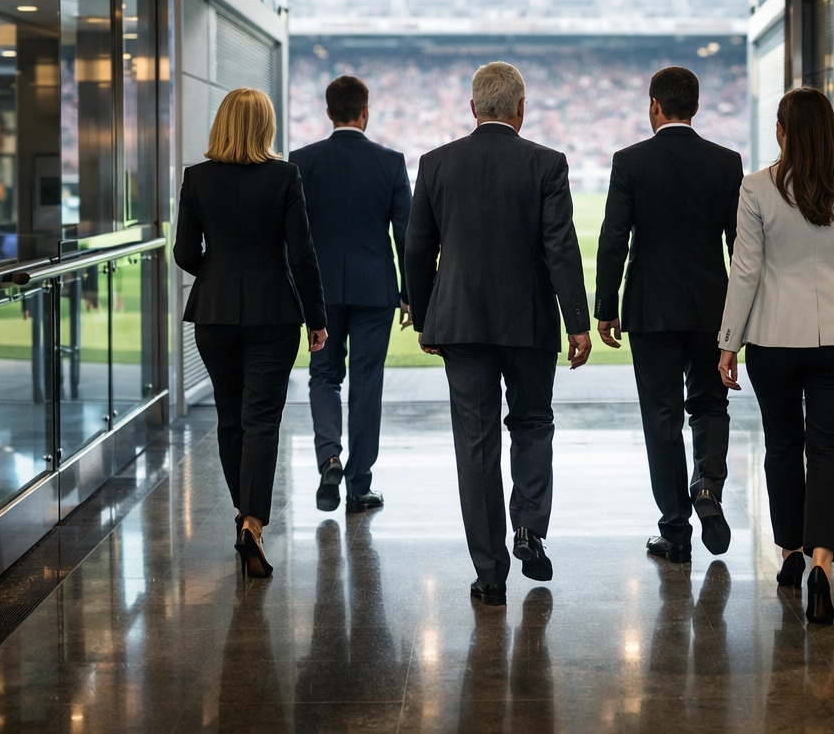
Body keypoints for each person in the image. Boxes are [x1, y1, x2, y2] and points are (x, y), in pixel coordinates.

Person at [405, 61, 593, 607]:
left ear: (473, 108)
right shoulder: (546, 163)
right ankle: (530, 527)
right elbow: (560, 246)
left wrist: (423, 316)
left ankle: (490, 572)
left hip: (460, 322)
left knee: (476, 442)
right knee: (533, 423)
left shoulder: (436, 164)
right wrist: (577, 322)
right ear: (521, 109)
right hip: (529, 321)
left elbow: (417, 249)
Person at [716, 87, 834, 624]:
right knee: (831, 452)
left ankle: (789, 550)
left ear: (783, 132)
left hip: (773, 339)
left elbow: (744, 271)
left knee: (784, 446)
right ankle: (820, 565)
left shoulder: (756, 189)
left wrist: (727, 341)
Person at [174, 87, 328, 579]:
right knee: (262, 420)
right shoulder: (285, 176)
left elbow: (183, 252)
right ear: (266, 126)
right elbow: (302, 255)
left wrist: (217, 273)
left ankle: (245, 516)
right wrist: (318, 317)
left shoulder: (196, 178)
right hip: (273, 315)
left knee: (230, 419)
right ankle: (254, 524)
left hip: (214, 315)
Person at [595, 66, 743, 564]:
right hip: (710, 306)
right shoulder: (727, 163)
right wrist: (739, 318)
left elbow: (614, 238)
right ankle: (708, 486)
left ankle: (675, 530)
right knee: (710, 407)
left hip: (650, 307)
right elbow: (739, 247)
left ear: (655, 105)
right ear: (695, 106)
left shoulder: (630, 161)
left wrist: (605, 307)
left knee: (660, 417)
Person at [289, 76, 412, 514]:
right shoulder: (391, 163)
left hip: (320, 293)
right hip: (374, 290)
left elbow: (293, 239)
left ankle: (329, 458)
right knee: (366, 386)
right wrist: (410, 295)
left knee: (323, 376)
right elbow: (406, 236)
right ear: (365, 112)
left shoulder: (300, 162)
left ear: (328, 112)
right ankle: (359, 486)